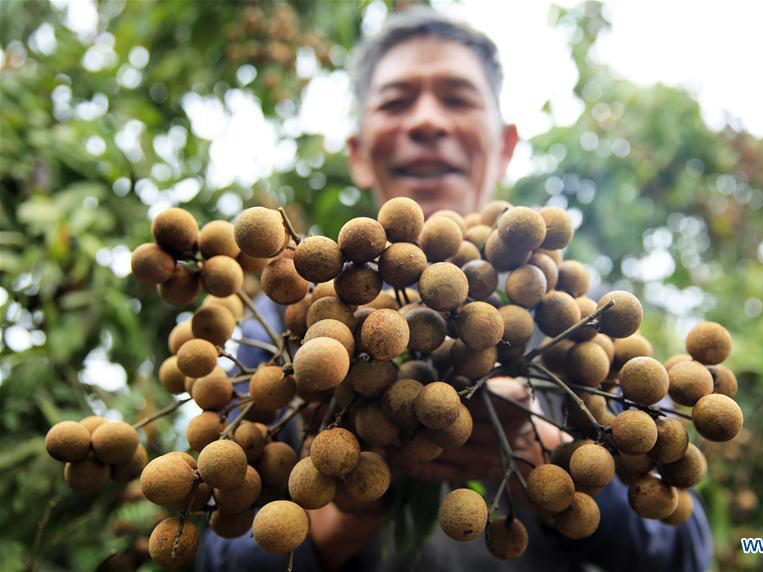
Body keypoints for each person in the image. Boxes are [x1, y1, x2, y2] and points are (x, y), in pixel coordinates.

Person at [200, 8, 713, 572]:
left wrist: (535, 450)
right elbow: (214, 554)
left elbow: (684, 551)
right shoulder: (283, 317)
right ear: (357, 150)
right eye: (396, 102)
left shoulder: (586, 324)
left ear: (506, 143)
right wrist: (350, 502)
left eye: (458, 98)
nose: (426, 121)